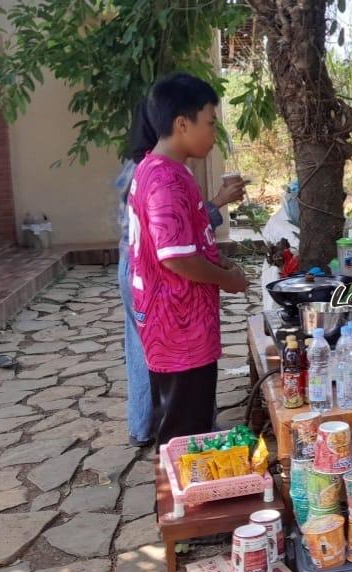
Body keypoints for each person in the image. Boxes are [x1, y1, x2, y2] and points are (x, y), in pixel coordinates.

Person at [127, 72, 249, 447]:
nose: (214, 134)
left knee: (186, 425)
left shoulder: (158, 169)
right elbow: (176, 258)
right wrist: (226, 279)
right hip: (179, 331)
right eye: (210, 123)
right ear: (182, 124)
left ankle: (185, 497)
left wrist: (220, 263)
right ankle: (184, 503)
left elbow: (185, 243)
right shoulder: (166, 179)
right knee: (185, 437)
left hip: (177, 327)